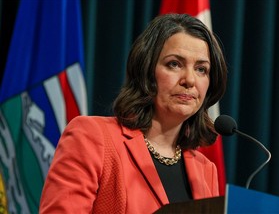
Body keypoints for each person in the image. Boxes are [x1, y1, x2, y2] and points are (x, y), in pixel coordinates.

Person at [39, 13, 227, 213]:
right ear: (147, 71)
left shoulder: (206, 170)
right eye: (174, 64)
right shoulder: (92, 137)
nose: (189, 79)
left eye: (201, 69)